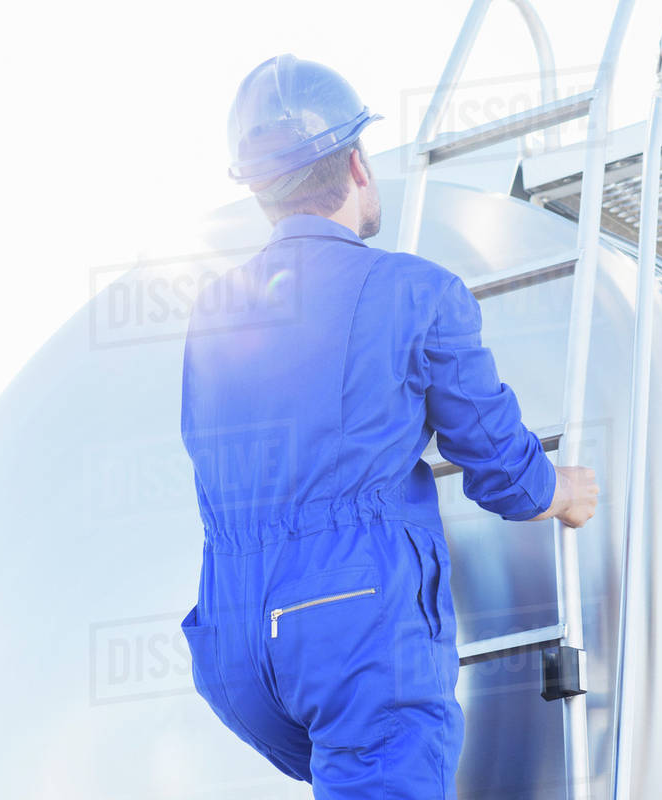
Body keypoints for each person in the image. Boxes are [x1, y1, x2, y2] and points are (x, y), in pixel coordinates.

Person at [178, 54, 599, 798]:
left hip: (231, 635)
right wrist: (562, 491)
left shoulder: (214, 313)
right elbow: (500, 470)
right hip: (352, 630)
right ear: (357, 162)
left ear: (260, 192)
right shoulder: (416, 291)